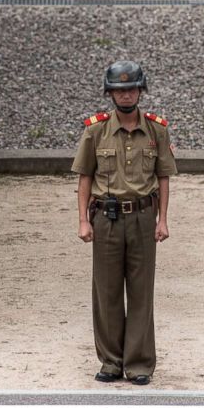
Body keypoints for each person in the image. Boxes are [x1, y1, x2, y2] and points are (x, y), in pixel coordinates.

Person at [71, 60, 177, 386]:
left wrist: (163, 220)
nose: (126, 95)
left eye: (131, 89)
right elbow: (85, 177)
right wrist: (82, 222)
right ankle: (111, 361)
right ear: (110, 93)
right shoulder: (95, 130)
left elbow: (163, 177)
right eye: (120, 90)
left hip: (143, 218)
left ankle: (139, 363)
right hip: (106, 218)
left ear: (141, 91)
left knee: (142, 291)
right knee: (107, 292)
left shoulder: (157, 130)